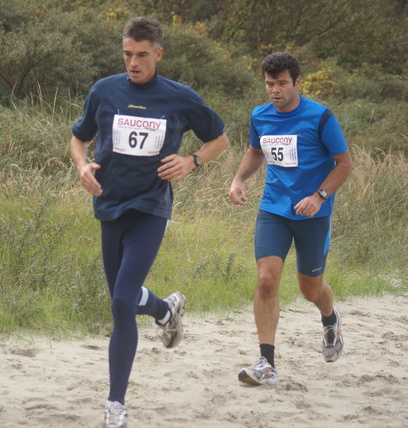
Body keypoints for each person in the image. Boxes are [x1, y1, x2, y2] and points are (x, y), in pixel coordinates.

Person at [70, 17, 229, 427]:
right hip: (109, 206)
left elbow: (220, 139)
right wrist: (82, 165)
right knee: (122, 299)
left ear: (158, 54)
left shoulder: (179, 97)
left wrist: (192, 160)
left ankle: (115, 405)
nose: (133, 62)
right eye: (127, 54)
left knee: (121, 301)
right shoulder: (105, 90)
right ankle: (165, 309)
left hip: (151, 208)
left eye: (142, 55)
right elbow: (78, 137)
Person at [229, 52, 352, 386]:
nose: (275, 90)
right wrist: (239, 179)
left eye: (282, 83)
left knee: (310, 289)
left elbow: (344, 164)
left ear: (298, 82)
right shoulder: (261, 115)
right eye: (269, 84)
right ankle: (265, 364)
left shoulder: (320, 117)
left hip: (313, 214)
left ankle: (330, 317)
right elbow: (256, 151)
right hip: (273, 209)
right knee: (267, 280)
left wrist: (319, 196)